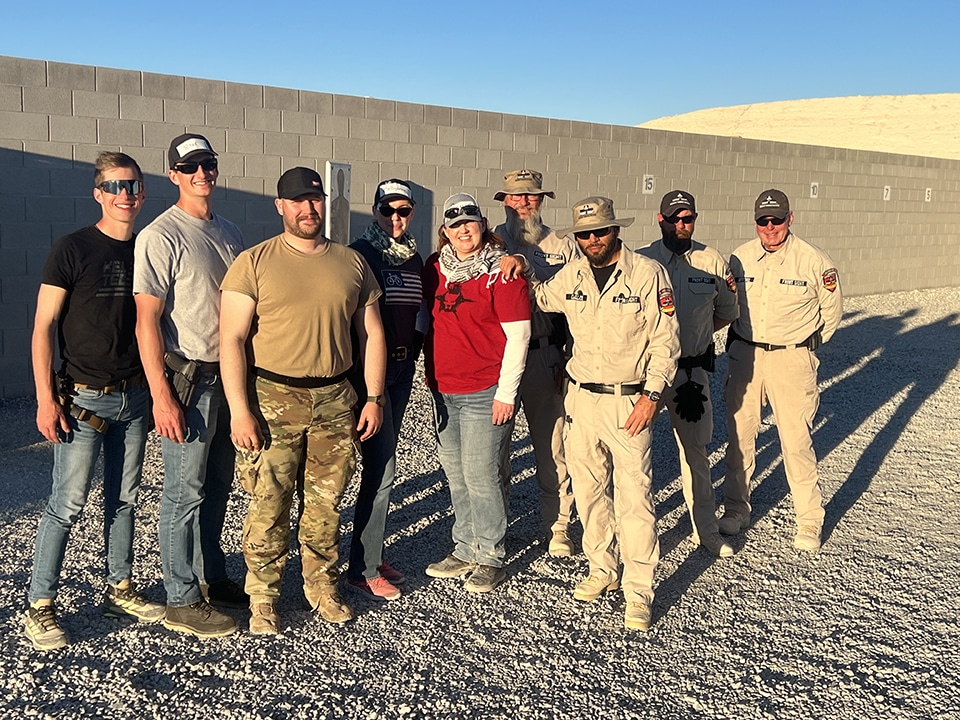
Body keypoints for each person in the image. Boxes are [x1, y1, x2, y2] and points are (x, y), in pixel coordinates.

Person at [220, 167, 386, 633]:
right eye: (297, 201)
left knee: (326, 503)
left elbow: (372, 333)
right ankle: (264, 598)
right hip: (273, 397)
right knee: (269, 504)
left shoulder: (351, 263)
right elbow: (230, 339)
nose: (308, 209)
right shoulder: (253, 263)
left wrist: (373, 397)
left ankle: (321, 588)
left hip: (335, 398)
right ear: (280, 206)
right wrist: (240, 410)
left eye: (315, 200)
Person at [24, 152, 164, 650]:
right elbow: (42, 328)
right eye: (114, 186)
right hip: (83, 399)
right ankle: (40, 604)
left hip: (135, 397)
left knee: (124, 500)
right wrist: (46, 398)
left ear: (143, 192)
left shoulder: (150, 248)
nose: (125, 195)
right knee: (67, 503)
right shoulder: (73, 248)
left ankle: (119, 587)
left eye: (133, 186)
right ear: (98, 193)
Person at [534, 196, 680, 631]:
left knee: (635, 498)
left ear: (616, 231)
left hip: (629, 402)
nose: (592, 240)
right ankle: (603, 567)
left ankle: (639, 589)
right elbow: (541, 298)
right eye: (584, 234)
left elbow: (665, 342)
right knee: (588, 488)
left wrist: (652, 396)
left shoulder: (648, 275)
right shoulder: (573, 273)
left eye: (600, 231)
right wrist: (518, 269)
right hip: (580, 399)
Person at [134, 133, 246, 638]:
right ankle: (180, 597)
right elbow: (146, 321)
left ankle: (211, 576)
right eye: (190, 165)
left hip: (229, 378)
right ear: (174, 175)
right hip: (190, 381)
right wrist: (161, 394)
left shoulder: (229, 232)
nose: (202, 172)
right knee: (184, 491)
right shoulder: (160, 236)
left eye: (208, 163)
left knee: (219, 485)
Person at [720, 189, 843, 551]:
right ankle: (736, 509)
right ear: (755, 221)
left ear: (791, 218)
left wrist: (805, 349)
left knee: (796, 441)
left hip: (792, 359)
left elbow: (831, 314)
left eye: (777, 219)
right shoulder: (739, 258)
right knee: (740, 437)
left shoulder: (813, 260)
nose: (770, 227)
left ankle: (808, 520)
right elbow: (729, 304)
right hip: (746, 357)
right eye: (763, 220)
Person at [423, 193, 531, 593]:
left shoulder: (502, 272)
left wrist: (507, 392)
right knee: (457, 474)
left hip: (486, 389)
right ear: (445, 231)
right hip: (444, 389)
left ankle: (491, 555)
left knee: (482, 475)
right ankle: (465, 545)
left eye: (470, 221)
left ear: (483, 224)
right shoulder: (436, 267)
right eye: (455, 223)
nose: (463, 229)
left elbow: (519, 335)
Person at [637, 191, 738, 558]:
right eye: (674, 218)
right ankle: (635, 539)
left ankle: (707, 531)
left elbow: (727, 312)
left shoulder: (712, 261)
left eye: (688, 218)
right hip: (646, 375)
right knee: (635, 457)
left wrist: (693, 338)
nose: (681, 225)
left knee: (696, 453)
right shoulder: (642, 261)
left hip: (690, 374)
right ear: (659, 219)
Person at [346, 179, 426, 601]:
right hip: (369, 375)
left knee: (382, 468)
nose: (396, 218)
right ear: (375, 210)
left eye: (404, 211)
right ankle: (362, 568)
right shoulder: (362, 255)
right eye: (388, 210)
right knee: (381, 468)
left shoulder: (413, 258)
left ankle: (370, 552)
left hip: (402, 369)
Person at [492, 170, 577, 557]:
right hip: (499, 359)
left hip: (545, 354)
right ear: (505, 201)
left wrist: (569, 358)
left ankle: (557, 525)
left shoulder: (564, 245)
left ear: (542, 200)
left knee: (551, 446)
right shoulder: (490, 239)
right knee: (496, 451)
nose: (524, 204)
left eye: (531, 197)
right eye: (516, 198)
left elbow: (578, 302)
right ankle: (497, 527)